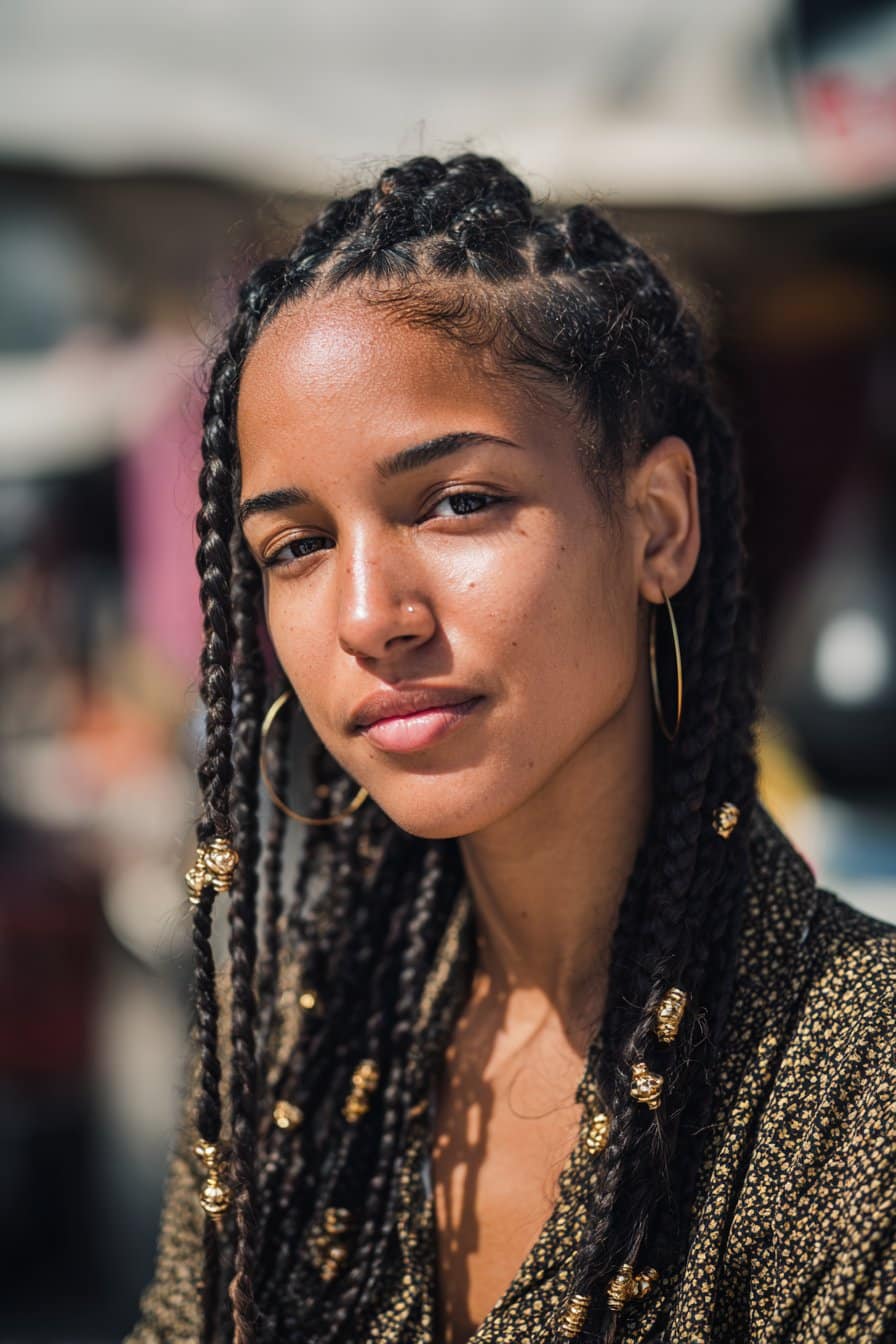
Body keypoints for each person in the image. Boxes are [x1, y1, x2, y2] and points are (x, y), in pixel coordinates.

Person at [125, 152, 896, 1344]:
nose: (368, 614)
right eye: (296, 547)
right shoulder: (289, 1048)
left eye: (456, 502)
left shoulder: (852, 1074)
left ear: (656, 525)